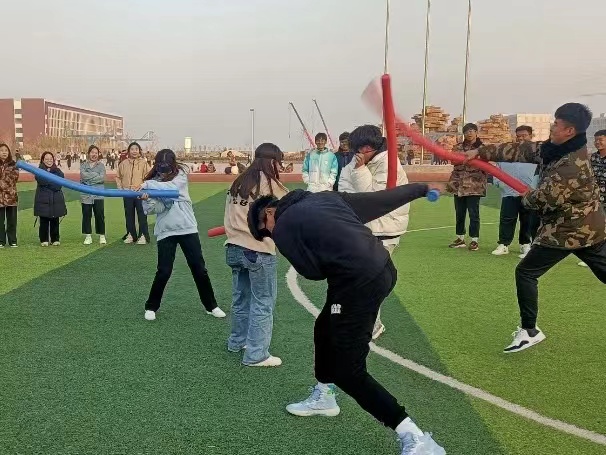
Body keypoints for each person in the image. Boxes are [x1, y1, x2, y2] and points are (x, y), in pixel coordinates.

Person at [247, 184, 445, 454]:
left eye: (265, 230)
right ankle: (325, 396)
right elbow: (379, 201)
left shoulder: (282, 225)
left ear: (270, 212)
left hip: (357, 284)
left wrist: (302, 245)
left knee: (348, 370)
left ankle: (416, 438)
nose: (269, 234)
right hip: (383, 269)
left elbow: (312, 273)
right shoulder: (327, 198)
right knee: (324, 326)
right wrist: (421, 189)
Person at [464, 103, 606, 353]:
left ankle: (530, 331)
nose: (552, 126)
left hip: (568, 231)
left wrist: (527, 195)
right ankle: (529, 330)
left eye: (556, 124)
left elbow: (544, 200)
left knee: (526, 273)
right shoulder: (555, 149)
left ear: (570, 130)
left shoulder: (571, 164)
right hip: (588, 229)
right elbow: (523, 149)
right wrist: (481, 152)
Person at [338, 125, 409, 341]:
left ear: (373, 146)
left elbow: (374, 199)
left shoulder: (389, 164)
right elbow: (345, 190)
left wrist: (360, 171)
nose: (360, 153)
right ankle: (366, 320)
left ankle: (373, 323)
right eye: (357, 149)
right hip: (364, 229)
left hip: (384, 230)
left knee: (370, 280)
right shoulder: (356, 162)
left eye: (364, 148)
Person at [139, 149, 226, 321]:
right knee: (164, 270)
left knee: (199, 268)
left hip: (187, 228)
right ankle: (151, 306)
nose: (164, 171)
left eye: (167, 167)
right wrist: (147, 199)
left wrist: (148, 185)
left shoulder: (180, 176)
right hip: (166, 230)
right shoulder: (154, 182)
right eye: (161, 167)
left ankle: (211, 306)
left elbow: (172, 189)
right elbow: (154, 209)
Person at [224, 143, 288, 367]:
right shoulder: (271, 185)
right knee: (263, 302)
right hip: (258, 250)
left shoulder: (238, 181)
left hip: (233, 247)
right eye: (279, 162)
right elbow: (285, 215)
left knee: (241, 300)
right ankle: (256, 355)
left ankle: (237, 342)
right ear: (273, 161)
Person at [491, 126, 538, 257]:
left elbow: (541, 173)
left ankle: (525, 244)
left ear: (531, 136)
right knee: (507, 219)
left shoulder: (536, 155)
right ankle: (504, 244)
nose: (521, 138)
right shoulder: (507, 153)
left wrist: (533, 188)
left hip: (529, 194)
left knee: (527, 220)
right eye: (518, 136)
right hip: (509, 193)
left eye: (524, 135)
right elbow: (496, 170)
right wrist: (500, 184)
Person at [446, 123, 487, 251]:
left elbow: (486, 162)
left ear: (476, 132)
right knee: (459, 213)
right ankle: (460, 238)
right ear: (464, 134)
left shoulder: (482, 148)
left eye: (472, 131)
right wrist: (465, 158)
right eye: (467, 131)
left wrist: (464, 158)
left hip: (474, 186)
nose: (469, 133)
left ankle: (474, 240)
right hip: (458, 185)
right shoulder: (458, 147)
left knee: (474, 214)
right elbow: (452, 160)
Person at [579, 129, 606, 267]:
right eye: (595, 140)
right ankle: (594, 257)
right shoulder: (593, 157)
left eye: (601, 139)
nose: (597, 142)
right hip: (595, 199)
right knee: (594, 227)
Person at [116, 142, 151, 244]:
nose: (134, 151)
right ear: (128, 151)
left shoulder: (144, 163)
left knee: (142, 214)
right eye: (132, 149)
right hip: (127, 193)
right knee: (129, 214)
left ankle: (143, 235)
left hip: (140, 193)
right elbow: (118, 177)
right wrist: (120, 188)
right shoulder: (123, 163)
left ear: (139, 151)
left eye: (136, 149)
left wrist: (143, 187)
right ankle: (131, 234)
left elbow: (149, 177)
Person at [34, 152, 67, 246]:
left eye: (51, 159)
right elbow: (42, 181)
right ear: (43, 160)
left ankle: (55, 239)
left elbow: (59, 184)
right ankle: (44, 239)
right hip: (43, 199)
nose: (49, 161)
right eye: (46, 159)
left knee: (55, 220)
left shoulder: (58, 171)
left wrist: (49, 183)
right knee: (44, 220)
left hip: (55, 199)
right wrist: (53, 181)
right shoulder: (39, 171)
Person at [80, 145, 107, 245]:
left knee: (99, 214)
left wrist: (89, 179)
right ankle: (88, 236)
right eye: (92, 152)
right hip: (86, 194)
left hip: (98, 193)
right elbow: (83, 176)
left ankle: (102, 235)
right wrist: (96, 176)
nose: (94, 154)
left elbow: (102, 178)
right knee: (86, 214)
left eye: (96, 153)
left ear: (98, 154)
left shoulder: (101, 166)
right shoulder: (83, 165)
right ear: (88, 153)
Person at [0, 143, 19, 248]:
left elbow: (14, 178)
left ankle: (12, 240)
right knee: (0, 220)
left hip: (11, 197)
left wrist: (2, 182)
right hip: (0, 197)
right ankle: (1, 241)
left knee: (12, 220)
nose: (4, 152)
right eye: (2, 150)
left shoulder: (13, 165)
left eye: (6, 150)